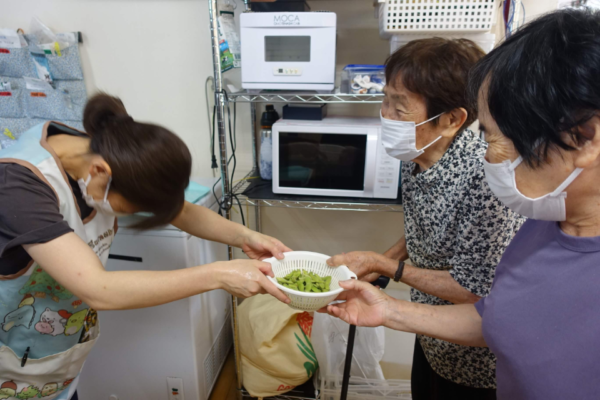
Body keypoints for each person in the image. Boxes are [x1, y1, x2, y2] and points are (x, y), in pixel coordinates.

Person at [323, 9, 600, 400]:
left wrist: (386, 267)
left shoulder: (508, 190)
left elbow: (476, 293)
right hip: (434, 341)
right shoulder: (547, 217)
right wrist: (387, 304)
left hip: (472, 372)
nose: (491, 158)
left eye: (495, 137)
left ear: (583, 137)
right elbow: (496, 315)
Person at [0, 93, 291, 400]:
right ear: (100, 172)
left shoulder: (104, 151)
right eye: (132, 208)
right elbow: (98, 289)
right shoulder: (19, 184)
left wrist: (245, 236)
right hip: (11, 361)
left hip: (54, 359)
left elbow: (180, 210)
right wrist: (218, 275)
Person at [326, 38, 525, 399]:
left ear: (451, 120)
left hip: (476, 362)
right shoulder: (418, 153)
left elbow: (472, 288)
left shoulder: (485, 177)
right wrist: (388, 258)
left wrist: (384, 266)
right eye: (385, 100)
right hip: (430, 334)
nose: (386, 115)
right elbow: (425, 228)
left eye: (400, 109)